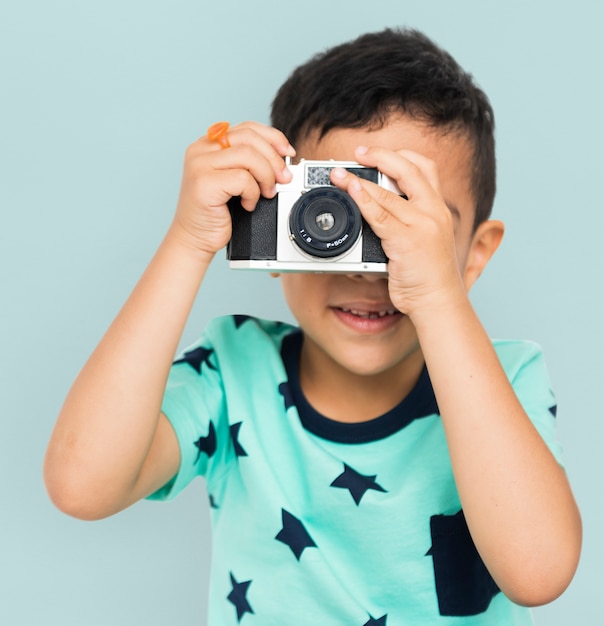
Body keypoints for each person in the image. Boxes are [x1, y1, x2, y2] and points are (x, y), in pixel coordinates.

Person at [44, 28, 581, 624]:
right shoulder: (232, 371)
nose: (369, 270)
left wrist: (437, 296)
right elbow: (82, 485)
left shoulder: (503, 380)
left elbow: (538, 572)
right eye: (334, 219)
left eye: (405, 224)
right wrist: (189, 240)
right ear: (274, 227)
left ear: (474, 256)